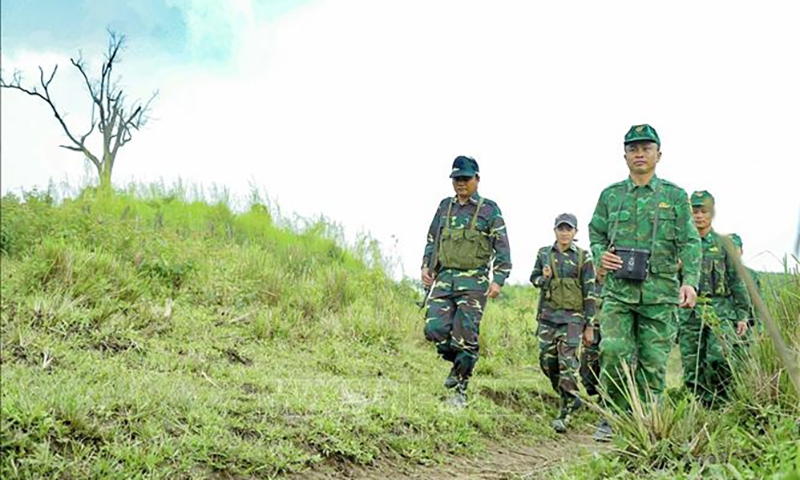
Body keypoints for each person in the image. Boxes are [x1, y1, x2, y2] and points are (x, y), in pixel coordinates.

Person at [588, 124, 701, 441]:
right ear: (624, 155)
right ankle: (613, 416)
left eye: (646, 148)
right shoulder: (611, 197)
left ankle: (648, 422)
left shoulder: (675, 197)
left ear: (658, 154)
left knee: (653, 363)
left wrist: (689, 282)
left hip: (660, 294)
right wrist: (601, 255)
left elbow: (691, 243)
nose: (639, 153)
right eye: (633, 148)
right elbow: (596, 232)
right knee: (612, 351)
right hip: (619, 294)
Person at [421, 155, 512, 408]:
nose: (460, 183)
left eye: (465, 178)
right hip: (445, 278)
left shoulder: (489, 210)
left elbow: (502, 247)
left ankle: (460, 387)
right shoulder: (444, 207)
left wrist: (499, 279)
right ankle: (458, 363)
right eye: (456, 179)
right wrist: (426, 267)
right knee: (434, 329)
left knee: (466, 335)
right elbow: (433, 239)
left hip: (475, 282)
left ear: (477, 179)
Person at [678, 192, 751, 406]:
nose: (699, 216)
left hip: (720, 310)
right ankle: (699, 407)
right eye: (695, 211)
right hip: (689, 312)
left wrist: (742, 315)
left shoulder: (723, 244)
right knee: (692, 365)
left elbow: (736, 280)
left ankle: (721, 402)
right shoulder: (679, 244)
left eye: (704, 211)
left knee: (720, 357)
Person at [530, 213, 597, 432]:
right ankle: (568, 396)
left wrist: (589, 326)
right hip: (548, 317)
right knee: (547, 361)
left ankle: (565, 410)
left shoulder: (583, 258)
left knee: (567, 364)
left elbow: (589, 293)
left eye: (569, 229)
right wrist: (544, 278)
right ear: (555, 230)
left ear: (575, 232)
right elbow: (534, 279)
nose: (564, 233)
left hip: (573, 319)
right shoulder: (544, 254)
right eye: (561, 229)